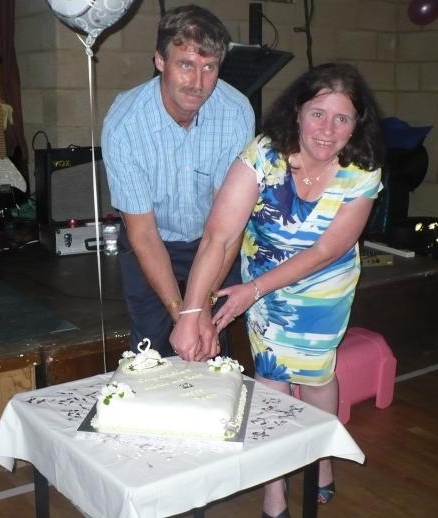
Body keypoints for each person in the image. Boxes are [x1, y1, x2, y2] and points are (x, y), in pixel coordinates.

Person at [170, 63, 384, 518]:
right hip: (262, 280)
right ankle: (275, 486)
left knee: (315, 374)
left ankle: (320, 452)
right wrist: (192, 311)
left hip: (323, 289)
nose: (327, 130)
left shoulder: (361, 171)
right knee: (270, 376)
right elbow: (219, 236)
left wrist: (251, 290)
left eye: (342, 118)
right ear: (297, 112)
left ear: (356, 125)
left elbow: (327, 249)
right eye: (317, 113)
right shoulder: (264, 154)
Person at [101, 4, 255, 359]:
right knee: (151, 347)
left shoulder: (235, 113)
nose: (198, 83)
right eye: (186, 64)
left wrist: (200, 310)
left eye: (209, 67)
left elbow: (226, 229)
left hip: (213, 239)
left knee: (213, 342)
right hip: (154, 238)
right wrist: (182, 313)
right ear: (160, 61)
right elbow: (143, 234)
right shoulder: (124, 125)